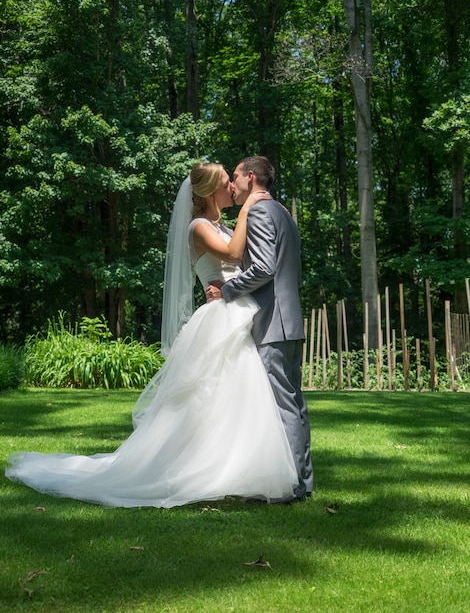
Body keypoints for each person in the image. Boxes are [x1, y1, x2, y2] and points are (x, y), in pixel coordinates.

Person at [5, 162, 298, 508]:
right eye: (225, 183)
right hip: (219, 318)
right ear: (208, 193)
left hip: (236, 315)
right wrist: (250, 206)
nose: (231, 188)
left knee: (238, 397)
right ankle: (196, 469)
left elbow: (246, 261)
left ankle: (238, 470)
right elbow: (234, 254)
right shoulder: (199, 227)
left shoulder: (223, 225)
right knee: (207, 398)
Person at [206, 156, 313, 502]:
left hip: (274, 322)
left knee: (284, 405)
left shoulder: (260, 212)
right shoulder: (282, 212)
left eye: (235, 177)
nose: (232, 185)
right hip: (288, 320)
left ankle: (293, 485)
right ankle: (301, 482)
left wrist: (228, 290)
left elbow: (264, 267)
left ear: (250, 177)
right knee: (293, 403)